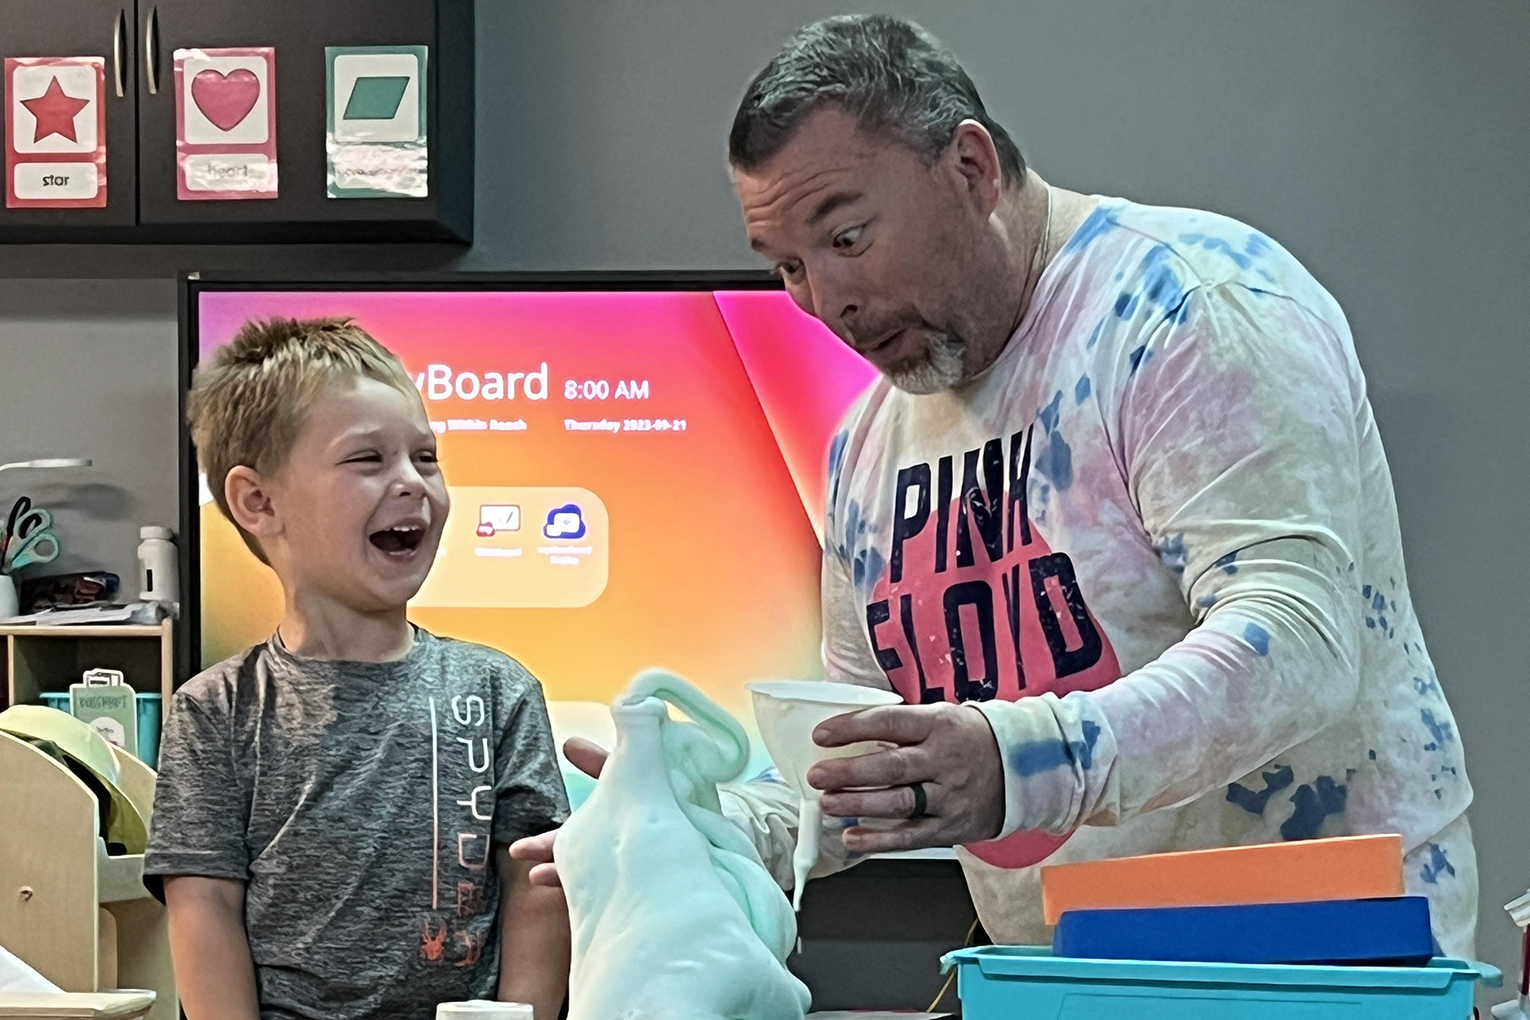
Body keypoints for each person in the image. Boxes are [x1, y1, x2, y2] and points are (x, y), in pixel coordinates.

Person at [515, 14, 1477, 956]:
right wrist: (716, 830)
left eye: (846, 238)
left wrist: (1024, 764)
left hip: (1326, 957)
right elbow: (866, 759)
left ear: (971, 169)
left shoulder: (1187, 307)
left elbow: (1299, 641)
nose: (825, 304)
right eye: (789, 268)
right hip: (1061, 969)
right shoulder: (863, 451)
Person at [144, 319, 571, 1020]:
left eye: (426, 458)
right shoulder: (214, 711)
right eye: (368, 459)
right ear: (259, 502)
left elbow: (537, 882)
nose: (412, 483)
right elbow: (205, 907)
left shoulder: (498, 691)